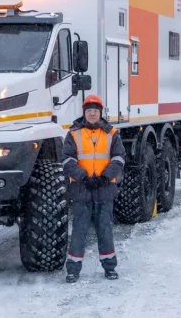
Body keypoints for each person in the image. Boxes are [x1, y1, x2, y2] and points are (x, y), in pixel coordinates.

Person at [60, 94, 126, 282]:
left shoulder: (112, 133)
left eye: (95, 111)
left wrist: (105, 177)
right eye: (89, 111)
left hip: (105, 188)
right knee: (79, 230)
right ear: (84, 113)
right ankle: (73, 270)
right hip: (82, 189)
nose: (92, 114)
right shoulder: (73, 134)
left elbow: (119, 158)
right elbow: (66, 159)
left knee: (105, 229)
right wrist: (83, 177)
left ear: (100, 113)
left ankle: (109, 267)